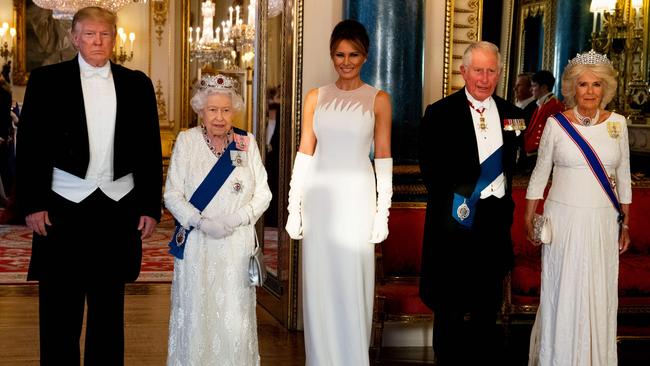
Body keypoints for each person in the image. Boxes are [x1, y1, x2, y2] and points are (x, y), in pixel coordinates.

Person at [15, 7, 162, 365]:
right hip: (63, 207)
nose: (98, 41)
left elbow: (149, 149)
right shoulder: (47, 80)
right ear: (74, 38)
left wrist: (149, 207)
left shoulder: (137, 83)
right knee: (59, 311)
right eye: (90, 34)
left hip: (118, 207)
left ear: (114, 38)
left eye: (105, 34)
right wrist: (32, 203)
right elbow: (30, 146)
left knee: (109, 311)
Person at [285, 19, 393, 365]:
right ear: (332, 56)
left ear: (365, 56)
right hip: (320, 201)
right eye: (339, 54)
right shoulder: (316, 97)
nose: (346, 61)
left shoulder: (378, 99)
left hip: (358, 201)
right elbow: (305, 153)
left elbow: (384, 159)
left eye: (353, 54)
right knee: (320, 288)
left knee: (352, 285)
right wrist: (293, 206)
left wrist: (382, 213)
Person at [418, 41, 524, 365]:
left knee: (485, 311)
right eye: (478, 69)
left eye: (491, 70)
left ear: (500, 73)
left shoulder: (513, 115)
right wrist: (464, 200)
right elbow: (431, 170)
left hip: (493, 225)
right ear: (464, 71)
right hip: (456, 221)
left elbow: (513, 164)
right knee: (449, 310)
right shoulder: (439, 113)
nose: (484, 77)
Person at [525, 50, 631, 366]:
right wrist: (530, 216)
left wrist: (625, 223)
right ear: (573, 88)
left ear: (605, 89)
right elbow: (540, 173)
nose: (589, 91)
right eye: (583, 84)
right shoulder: (557, 124)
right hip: (564, 220)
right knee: (564, 290)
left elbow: (623, 176)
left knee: (598, 293)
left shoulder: (619, 125)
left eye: (596, 85)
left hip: (603, 220)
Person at [164, 73, 271, 365]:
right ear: (201, 110)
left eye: (225, 110)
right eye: (213, 110)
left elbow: (264, 195)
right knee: (199, 314)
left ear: (234, 110)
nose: (220, 117)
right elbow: (172, 195)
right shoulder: (186, 142)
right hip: (198, 245)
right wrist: (201, 222)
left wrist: (236, 218)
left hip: (236, 246)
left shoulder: (246, 143)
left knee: (234, 317)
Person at [521, 70, 565, 172]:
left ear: (544, 87)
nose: (531, 89)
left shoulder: (554, 106)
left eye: (534, 86)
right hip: (533, 156)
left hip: (542, 157)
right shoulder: (540, 105)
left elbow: (555, 135)